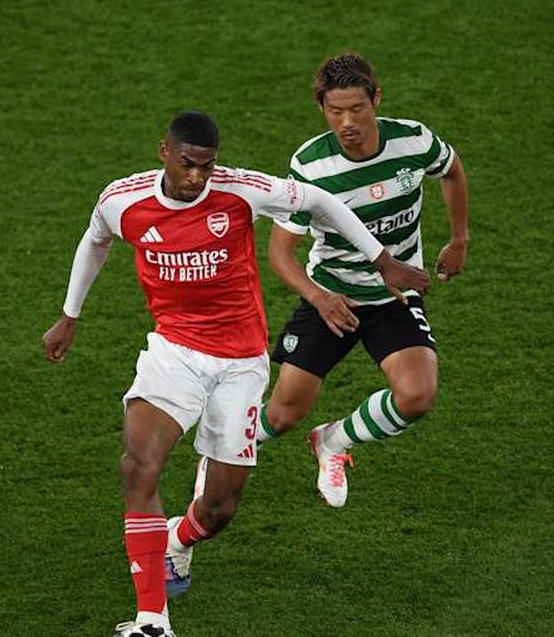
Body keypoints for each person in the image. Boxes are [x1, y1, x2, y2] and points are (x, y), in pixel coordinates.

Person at [41, 111, 429, 637]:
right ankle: (152, 620)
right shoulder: (122, 200)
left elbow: (321, 201)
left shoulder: (241, 190)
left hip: (240, 364)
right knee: (139, 466)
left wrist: (381, 259)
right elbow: (96, 240)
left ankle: (178, 538)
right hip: (173, 350)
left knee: (219, 510)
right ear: (164, 152)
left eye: (206, 165)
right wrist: (70, 315)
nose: (197, 176)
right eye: (187, 164)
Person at [256, 52, 470, 507]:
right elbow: (280, 252)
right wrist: (318, 297)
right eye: (336, 112)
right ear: (322, 109)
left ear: (377, 99)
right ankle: (218, 455)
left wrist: (459, 238)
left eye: (357, 108)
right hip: (333, 296)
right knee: (283, 412)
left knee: (417, 395)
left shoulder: (413, 142)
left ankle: (334, 441)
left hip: (395, 296)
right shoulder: (311, 167)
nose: (347, 121)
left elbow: (450, 169)